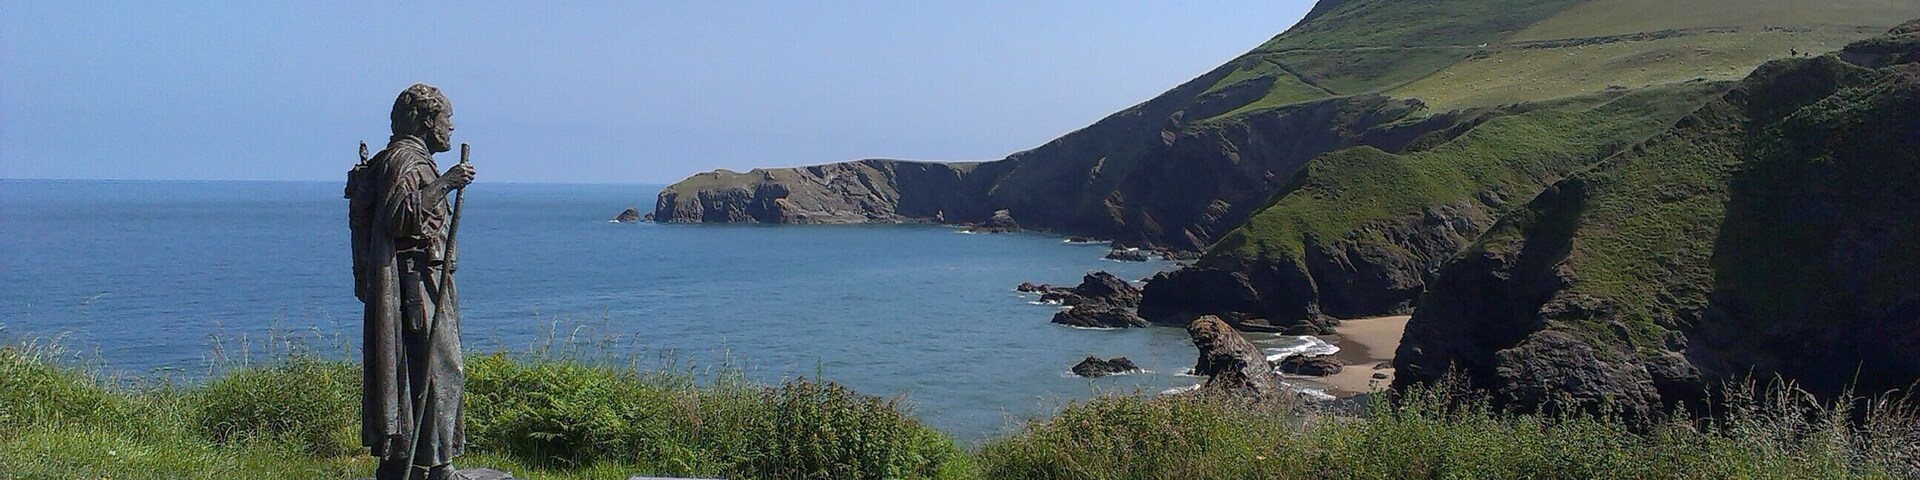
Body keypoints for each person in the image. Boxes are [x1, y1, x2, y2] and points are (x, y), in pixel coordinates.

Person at [348, 83, 476, 480]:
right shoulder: (405, 161)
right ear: (426, 120)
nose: (451, 130)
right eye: (446, 120)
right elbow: (400, 217)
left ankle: (426, 459)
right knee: (439, 368)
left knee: (426, 369)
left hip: (424, 280)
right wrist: (447, 183)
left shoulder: (404, 159)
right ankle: (435, 465)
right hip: (414, 286)